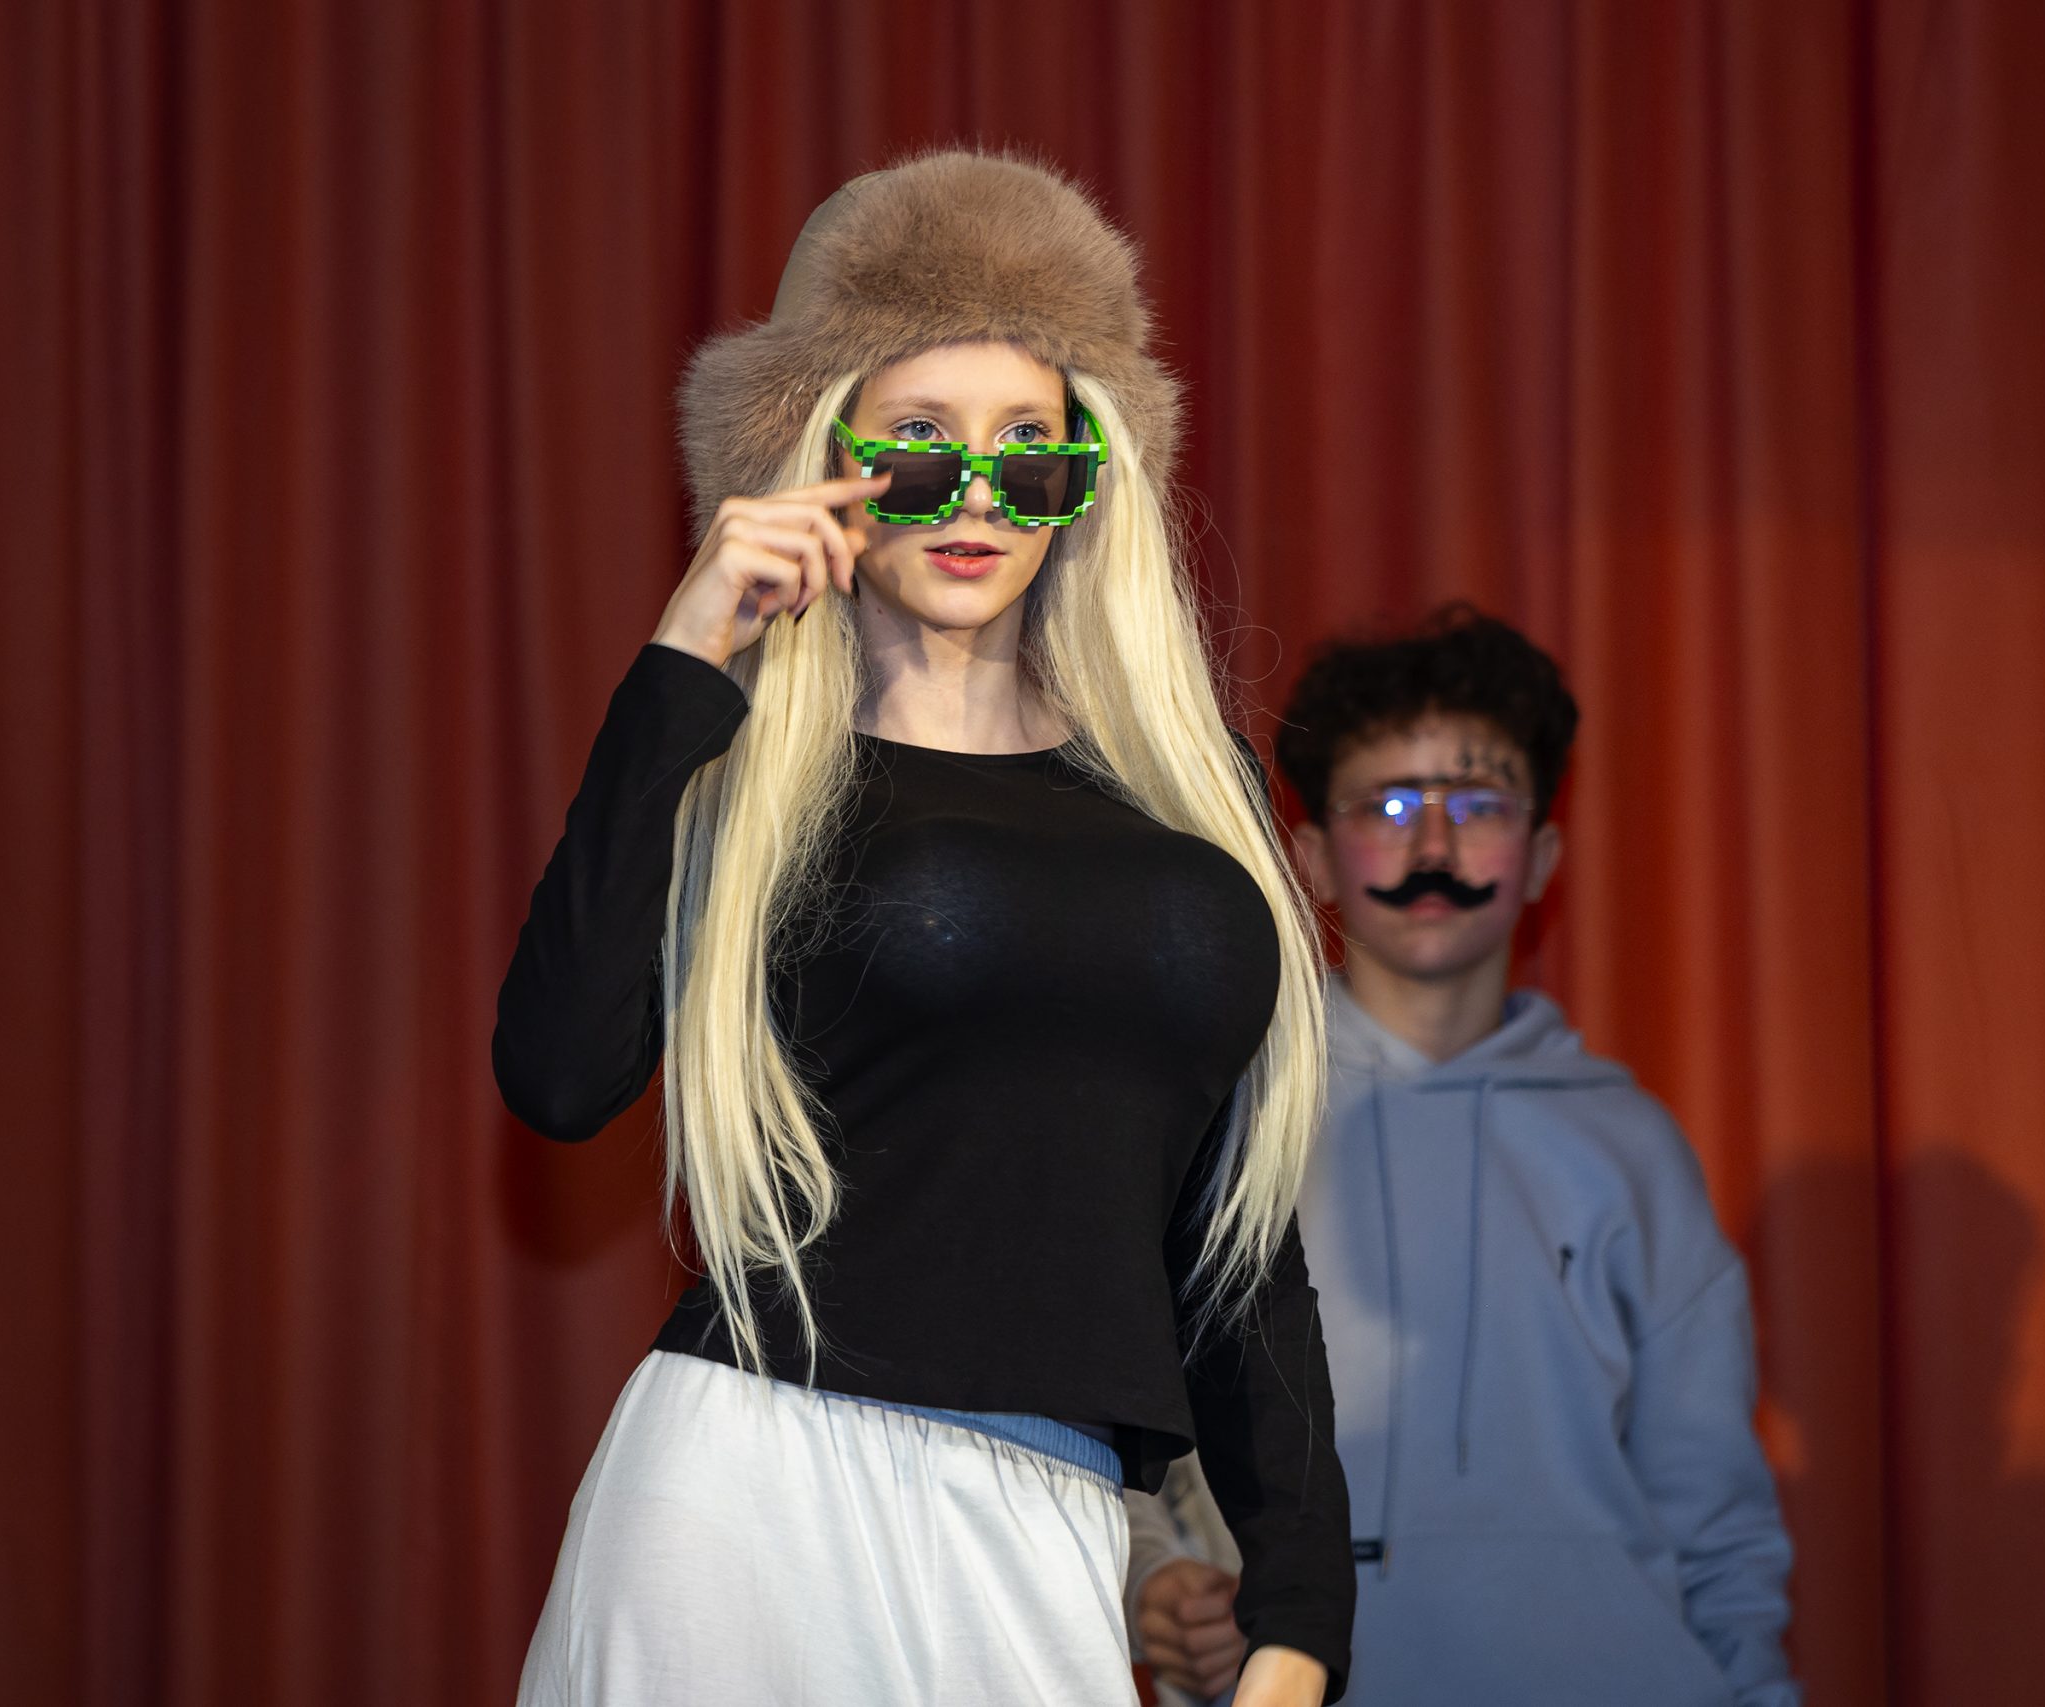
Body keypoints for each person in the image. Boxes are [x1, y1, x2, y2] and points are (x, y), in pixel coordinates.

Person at [493, 150, 1352, 1707]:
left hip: (1053, 1511)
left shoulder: (1187, 790)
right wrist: (686, 656)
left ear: (1089, 481)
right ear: (822, 461)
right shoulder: (752, 776)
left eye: (1031, 452)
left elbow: (1237, 1235)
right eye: (918, 450)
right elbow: (558, 1076)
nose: (976, 498)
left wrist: (1301, 1605)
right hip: (754, 1484)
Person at [1125, 607, 1797, 1707]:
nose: (1432, 849)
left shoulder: (1629, 1149)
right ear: (1312, 858)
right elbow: (1114, 1408)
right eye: (1388, 806)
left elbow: (1715, 1509)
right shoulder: (1227, 1117)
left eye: (1476, 806)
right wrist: (1153, 1583)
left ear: (1541, 859)